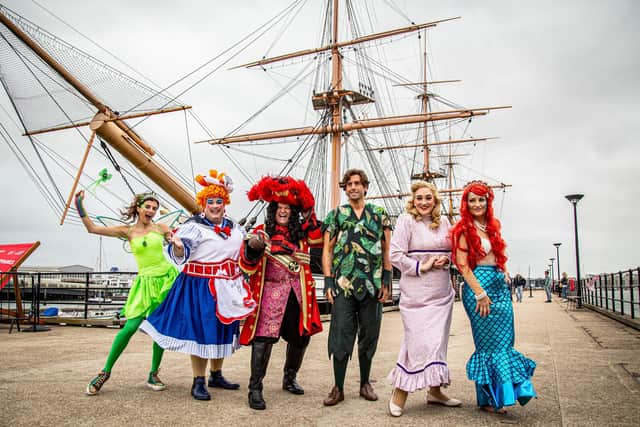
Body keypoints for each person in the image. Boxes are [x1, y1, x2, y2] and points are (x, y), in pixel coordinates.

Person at [140, 170, 256, 401]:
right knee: (201, 333)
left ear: (225, 204)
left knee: (222, 329)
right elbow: (181, 252)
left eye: (219, 201)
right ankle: (198, 381)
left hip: (228, 286)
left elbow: (244, 251)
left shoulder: (234, 227)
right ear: (204, 204)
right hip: (199, 287)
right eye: (210, 201)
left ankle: (216, 374)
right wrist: (179, 246)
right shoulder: (193, 226)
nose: (215, 206)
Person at [75, 190, 179, 396]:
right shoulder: (128, 231)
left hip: (166, 279)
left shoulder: (161, 228)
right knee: (129, 327)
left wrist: (176, 242)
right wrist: (79, 205)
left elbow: (178, 247)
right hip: (145, 282)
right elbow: (92, 229)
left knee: (159, 329)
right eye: (147, 207)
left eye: (154, 208)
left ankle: (153, 373)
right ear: (138, 208)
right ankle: (105, 372)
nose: (151, 211)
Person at [450, 180, 536, 414]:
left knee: (505, 342)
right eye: (472, 200)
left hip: (499, 287)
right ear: (466, 204)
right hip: (479, 287)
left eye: (481, 199)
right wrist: (479, 293)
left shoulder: (492, 227)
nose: (477, 204)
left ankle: (499, 395)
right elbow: (462, 265)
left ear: (488, 202)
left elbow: (497, 255)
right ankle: (490, 398)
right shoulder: (463, 229)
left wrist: (505, 273)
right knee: (489, 345)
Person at [239, 176, 323, 410]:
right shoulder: (261, 232)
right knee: (264, 339)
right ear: (273, 210)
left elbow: (319, 238)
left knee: (300, 337)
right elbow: (246, 265)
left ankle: (290, 377)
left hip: (298, 294)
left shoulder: (302, 235)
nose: (283, 211)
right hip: (269, 294)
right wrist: (253, 249)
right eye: (280, 208)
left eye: (288, 208)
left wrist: (308, 209)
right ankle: (255, 388)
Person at [387, 181, 460, 417]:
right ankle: (400, 391)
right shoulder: (406, 221)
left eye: (428, 197)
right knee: (416, 341)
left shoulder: (445, 222)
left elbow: (453, 252)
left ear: (435, 199)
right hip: (416, 294)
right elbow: (395, 255)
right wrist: (422, 265)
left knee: (437, 342)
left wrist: (446, 260)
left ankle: (435, 391)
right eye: (419, 198)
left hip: (441, 293)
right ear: (413, 200)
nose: (424, 202)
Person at [322, 169, 392, 406]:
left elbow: (386, 249)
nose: (353, 187)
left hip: (372, 284)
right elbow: (328, 250)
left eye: (357, 183)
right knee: (341, 335)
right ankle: (338, 387)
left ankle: (365, 383)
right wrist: (329, 281)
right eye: (349, 184)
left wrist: (387, 279)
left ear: (365, 187)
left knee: (369, 335)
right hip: (344, 284)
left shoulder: (379, 214)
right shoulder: (337, 215)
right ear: (345, 188)